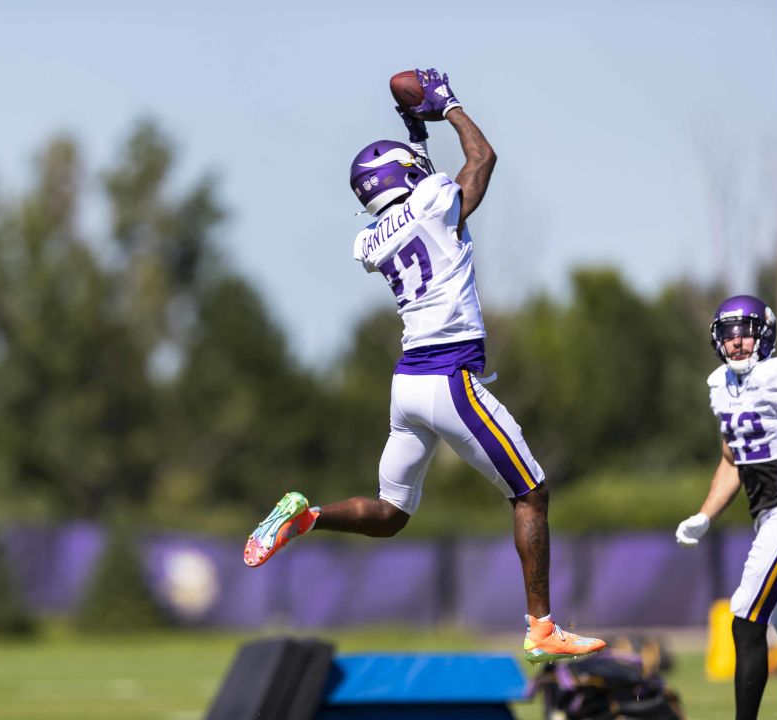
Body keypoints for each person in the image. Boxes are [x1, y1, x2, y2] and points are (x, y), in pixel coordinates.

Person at [243, 68, 605, 664]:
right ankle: (541, 625)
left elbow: (422, 192)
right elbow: (482, 159)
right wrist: (450, 107)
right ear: (405, 175)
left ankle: (305, 517)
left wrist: (416, 132)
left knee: (391, 514)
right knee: (531, 493)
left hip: (407, 383)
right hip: (448, 376)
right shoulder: (434, 203)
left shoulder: (372, 239)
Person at [675, 295, 777, 720]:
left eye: (746, 332)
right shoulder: (721, 385)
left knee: (745, 615)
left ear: (765, 334)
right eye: (729, 334)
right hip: (768, 512)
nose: (737, 343)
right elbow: (732, 458)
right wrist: (705, 515)